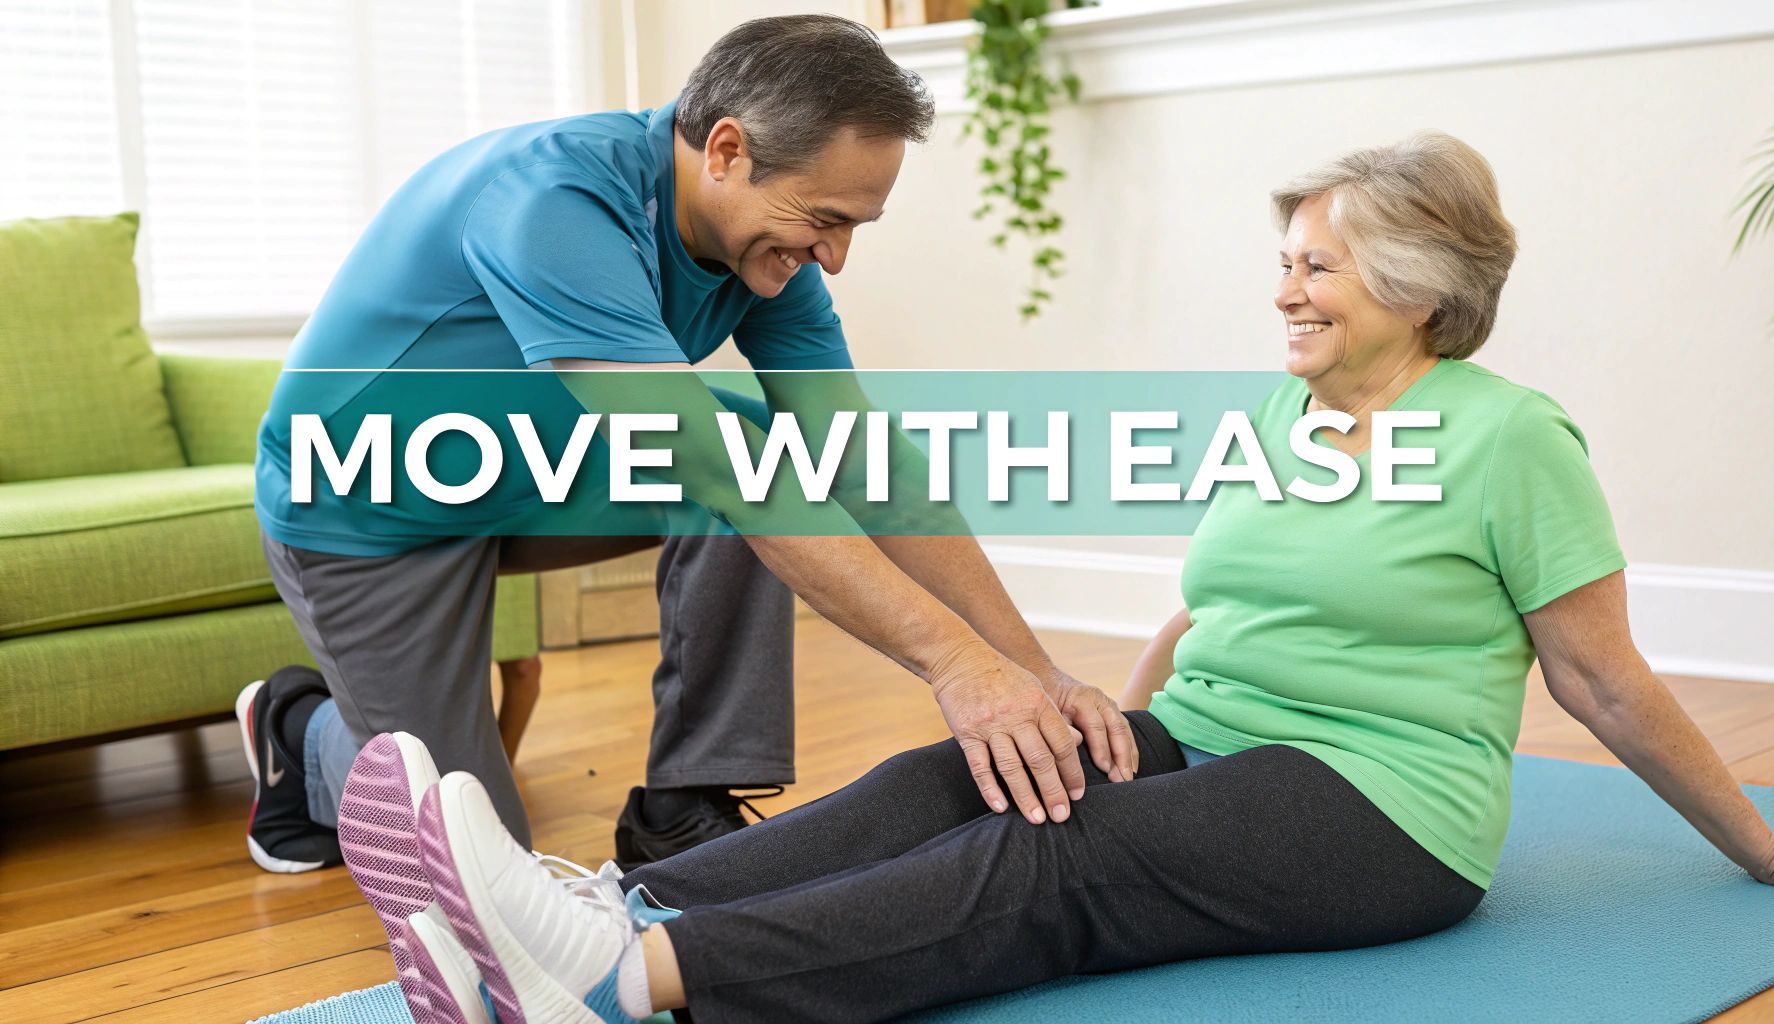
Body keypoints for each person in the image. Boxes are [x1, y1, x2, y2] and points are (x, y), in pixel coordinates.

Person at [346, 131, 1774, 1024]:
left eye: (1317, 267)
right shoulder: (1272, 418)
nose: (1283, 289)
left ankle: (635, 988)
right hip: (1213, 735)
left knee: (1062, 863)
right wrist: (1095, 718)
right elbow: (1210, 612)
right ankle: (605, 904)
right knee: (964, 783)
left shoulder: (1511, 440)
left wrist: (1761, 852)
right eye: (1285, 261)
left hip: (1381, 802)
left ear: (1426, 285)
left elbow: (1601, 677)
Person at [239, 15, 1142, 1015]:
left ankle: (680, 806)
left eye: (853, 228)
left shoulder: (759, 249)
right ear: (725, 150)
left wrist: (1027, 668)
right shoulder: (553, 199)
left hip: (532, 462)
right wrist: (950, 663)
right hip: (369, 504)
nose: (833, 257)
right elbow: (717, 478)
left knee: (766, 444)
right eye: (824, 217)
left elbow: (862, 462)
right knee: (477, 872)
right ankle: (301, 725)